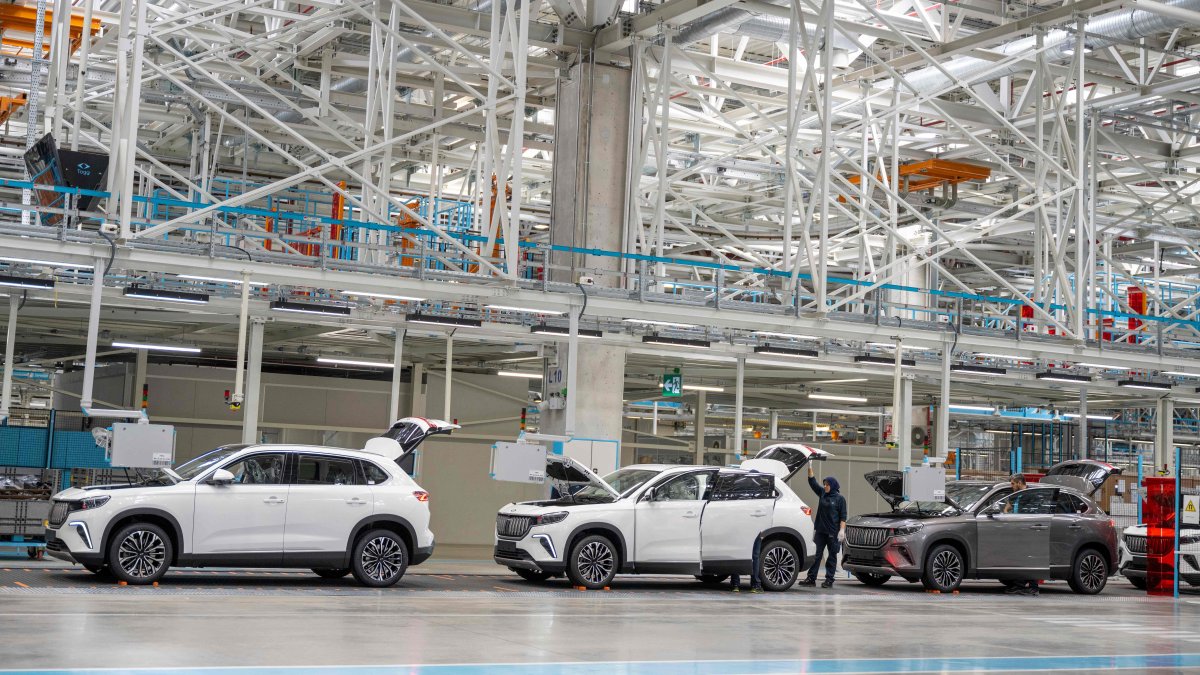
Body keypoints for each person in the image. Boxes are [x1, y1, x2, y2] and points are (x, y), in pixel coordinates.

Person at [799, 464, 847, 589]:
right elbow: (812, 482)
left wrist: (842, 530)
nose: (825, 486)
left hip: (833, 532)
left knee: (831, 557)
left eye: (827, 484)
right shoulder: (822, 493)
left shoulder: (840, 499)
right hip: (820, 531)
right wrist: (809, 467)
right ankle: (811, 578)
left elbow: (843, 516)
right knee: (816, 555)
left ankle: (829, 579)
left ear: (833, 486)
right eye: (824, 484)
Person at [1002, 473, 1039, 597]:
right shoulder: (1016, 495)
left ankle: (1026, 586)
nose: (1011, 486)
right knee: (1020, 558)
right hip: (1018, 530)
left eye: (1013, 483)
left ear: (1019, 483)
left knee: (1025, 558)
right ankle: (1024, 586)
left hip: (1027, 531)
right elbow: (1007, 509)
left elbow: (1030, 514)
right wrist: (1007, 510)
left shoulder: (1030, 495)